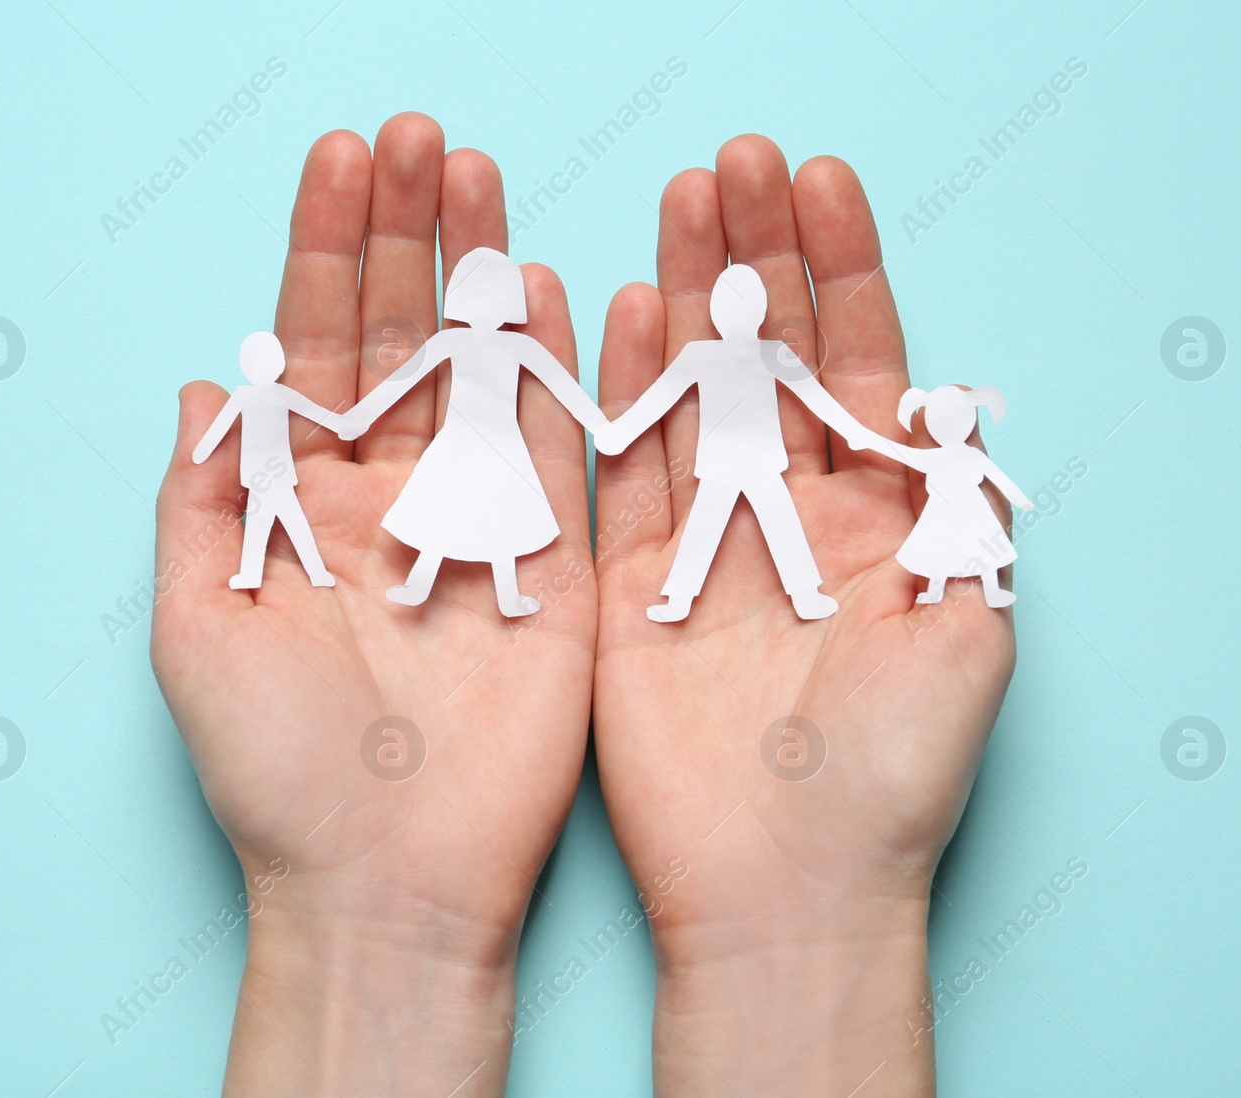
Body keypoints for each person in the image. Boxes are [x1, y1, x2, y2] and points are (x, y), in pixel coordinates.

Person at [153, 113, 1020, 1096]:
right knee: (493, 526)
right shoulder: (487, 352)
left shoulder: (732, 358)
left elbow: (754, 405)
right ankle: (657, 582)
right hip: (644, 458)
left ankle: (658, 582)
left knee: (602, 531)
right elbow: (636, 400)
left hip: (745, 461)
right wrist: (359, 912)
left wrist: (813, 919)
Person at [597, 263, 885, 622]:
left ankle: (692, 600)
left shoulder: (757, 352)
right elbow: (661, 397)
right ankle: (694, 600)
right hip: (735, 460)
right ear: (760, 311)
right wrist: (621, 432)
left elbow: (813, 396)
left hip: (747, 459)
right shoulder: (723, 353)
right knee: (736, 523)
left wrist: (851, 429)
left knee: (753, 521)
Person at [334, 245, 610, 617]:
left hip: (500, 441)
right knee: (444, 503)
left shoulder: (518, 346)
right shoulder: (452, 341)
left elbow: (561, 384)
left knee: (500, 510)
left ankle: (507, 597)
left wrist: (600, 426)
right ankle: (420, 584)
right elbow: (404, 379)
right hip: (459, 438)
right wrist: (361, 415)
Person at [191, 331, 341, 589]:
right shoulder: (244, 395)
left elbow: (316, 413)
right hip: (259, 476)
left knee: (289, 524)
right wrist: (201, 451)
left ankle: (314, 574)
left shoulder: (281, 394)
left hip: (277, 474)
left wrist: (342, 424)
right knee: (267, 526)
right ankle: (281, 574)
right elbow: (220, 426)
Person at [886, 385, 1036, 607]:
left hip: (971, 508)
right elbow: (905, 455)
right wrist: (869, 441)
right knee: (940, 548)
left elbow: (999, 478)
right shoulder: (934, 457)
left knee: (983, 548)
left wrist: (1020, 499)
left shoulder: (971, 456)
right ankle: (936, 592)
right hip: (944, 509)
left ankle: (992, 592)